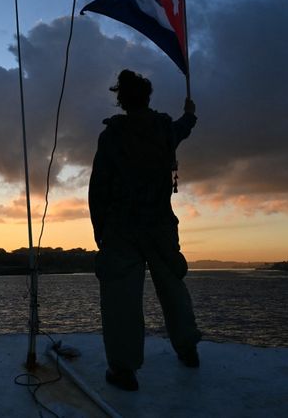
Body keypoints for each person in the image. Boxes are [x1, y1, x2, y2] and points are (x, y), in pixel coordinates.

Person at [89, 69, 201, 391]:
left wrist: (101, 230)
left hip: (121, 230)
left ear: (121, 100)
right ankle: (187, 348)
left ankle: (124, 370)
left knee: (121, 297)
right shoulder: (164, 129)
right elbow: (182, 129)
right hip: (160, 226)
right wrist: (190, 115)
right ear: (147, 97)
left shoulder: (112, 136)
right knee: (173, 286)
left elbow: (98, 188)